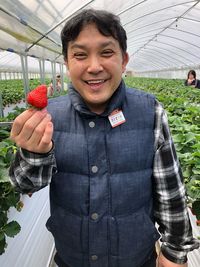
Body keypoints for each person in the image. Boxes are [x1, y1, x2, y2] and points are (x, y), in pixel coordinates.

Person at [9, 9, 199, 267]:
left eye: (107, 52)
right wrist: (34, 154)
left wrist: (174, 252)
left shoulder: (150, 111)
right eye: (80, 54)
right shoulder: (49, 117)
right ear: (67, 63)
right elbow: (25, 185)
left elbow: (170, 191)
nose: (94, 66)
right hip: (71, 259)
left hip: (137, 259)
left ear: (124, 60)